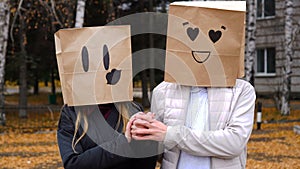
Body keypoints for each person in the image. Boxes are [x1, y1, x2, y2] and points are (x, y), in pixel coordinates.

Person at [128, 78, 256, 169]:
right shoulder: (163, 90)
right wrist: (143, 127)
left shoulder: (241, 90)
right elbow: (159, 150)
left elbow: (234, 143)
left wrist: (171, 134)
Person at [57, 101, 158, 169]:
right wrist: (123, 142)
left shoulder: (131, 108)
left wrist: (148, 138)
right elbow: (73, 164)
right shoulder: (71, 112)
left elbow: (145, 164)